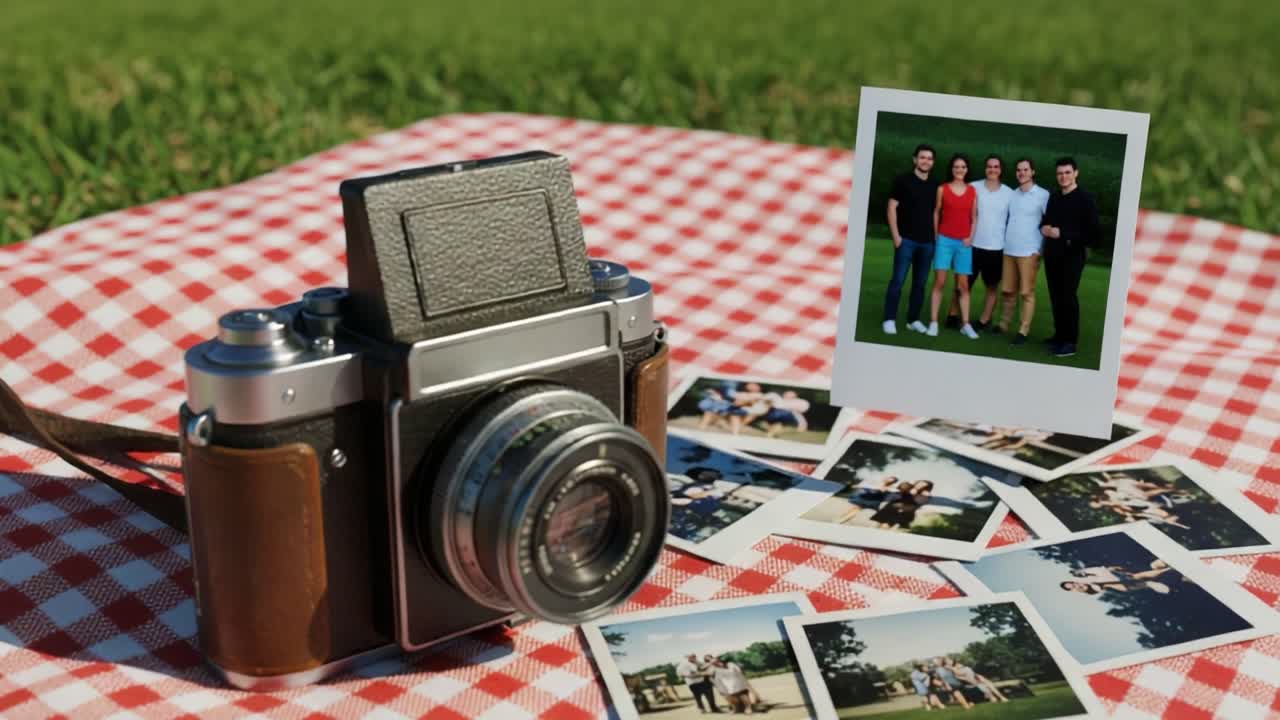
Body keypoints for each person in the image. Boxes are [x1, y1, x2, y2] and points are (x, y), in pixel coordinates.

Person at [1040, 157, 1101, 358]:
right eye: (1059, 173)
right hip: (1052, 255)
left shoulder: (1085, 199)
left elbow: (1092, 234)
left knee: (1068, 297)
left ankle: (1070, 342)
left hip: (1072, 256)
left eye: (1067, 172)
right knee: (1056, 297)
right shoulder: (1055, 197)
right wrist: (1044, 228)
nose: (1063, 176)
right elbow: (1046, 220)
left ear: (1076, 173)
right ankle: (1059, 336)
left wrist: (1062, 234)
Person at [947, 155, 1012, 331]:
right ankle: (953, 315)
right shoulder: (973, 187)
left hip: (996, 248)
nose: (992, 169)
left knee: (991, 286)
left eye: (996, 166)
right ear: (985, 169)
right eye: (989, 166)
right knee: (962, 283)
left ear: (1001, 169)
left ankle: (984, 320)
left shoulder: (1009, 193)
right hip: (971, 245)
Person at [882, 144, 939, 335]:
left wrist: (935, 240)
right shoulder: (903, 181)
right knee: (897, 281)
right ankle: (889, 319)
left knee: (920, 284)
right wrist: (896, 237)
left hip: (927, 243)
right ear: (915, 159)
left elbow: (935, 214)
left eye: (929, 158)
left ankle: (912, 320)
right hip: (905, 240)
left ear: (933, 162)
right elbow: (891, 208)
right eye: (922, 157)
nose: (926, 161)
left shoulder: (935, 186)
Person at [998, 158, 1051, 344]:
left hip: (1029, 251)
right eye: (1019, 170)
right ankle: (1004, 324)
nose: (1022, 173)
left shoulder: (1043, 195)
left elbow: (1049, 223)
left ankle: (1023, 330)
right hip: (1009, 249)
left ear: (1032, 172)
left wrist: (1040, 250)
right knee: (1007, 291)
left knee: (1026, 293)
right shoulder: (1012, 195)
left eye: (1025, 170)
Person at [928, 154, 979, 339]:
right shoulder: (942, 189)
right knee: (939, 282)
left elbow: (974, 217)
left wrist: (970, 237)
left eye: (963, 167)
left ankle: (965, 324)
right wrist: (936, 236)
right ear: (952, 169)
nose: (960, 170)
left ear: (967, 169)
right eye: (956, 167)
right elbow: (936, 212)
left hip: (964, 243)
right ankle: (933, 322)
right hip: (944, 241)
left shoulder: (972, 191)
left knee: (963, 286)